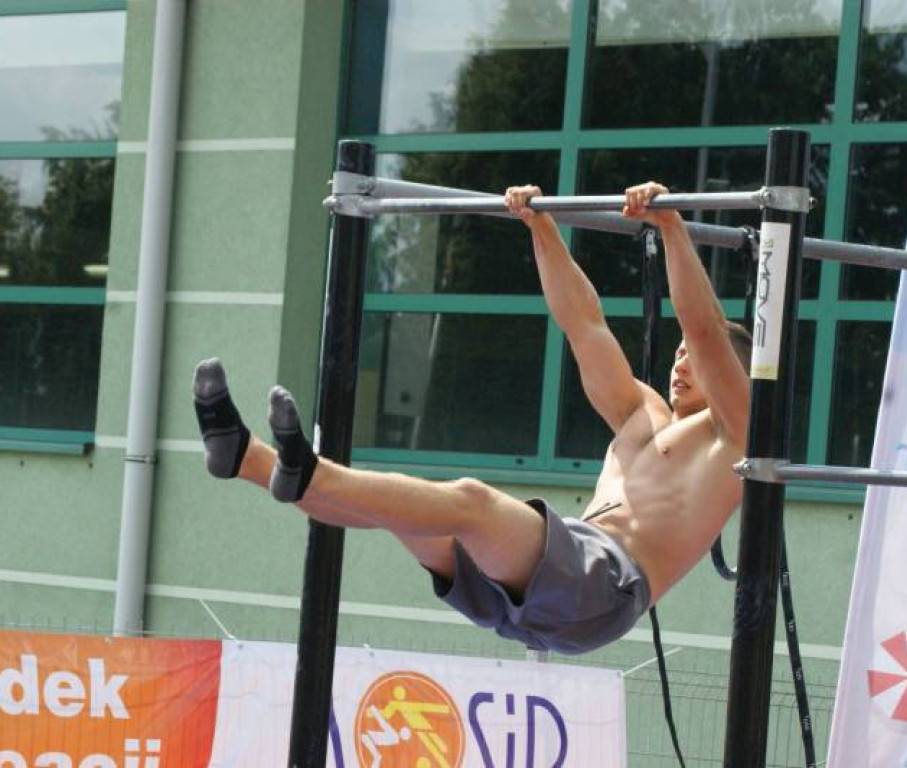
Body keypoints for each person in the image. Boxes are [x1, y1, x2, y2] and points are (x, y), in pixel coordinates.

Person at [192, 182, 752, 655]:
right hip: (544, 583)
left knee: (470, 502)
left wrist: (672, 227)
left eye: (694, 359)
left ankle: (309, 472)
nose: (682, 361)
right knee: (413, 517)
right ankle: (248, 459)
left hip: (601, 585)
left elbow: (705, 330)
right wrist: (541, 228)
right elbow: (585, 324)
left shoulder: (736, 434)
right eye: (677, 352)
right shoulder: (642, 413)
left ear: (731, 374)